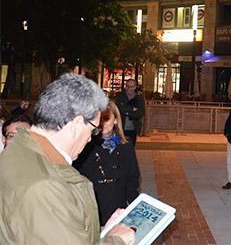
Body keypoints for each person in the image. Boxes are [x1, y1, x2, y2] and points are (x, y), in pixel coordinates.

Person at [0, 73, 134, 244]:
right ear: (77, 124)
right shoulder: (46, 186)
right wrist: (117, 240)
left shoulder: (20, 150)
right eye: (93, 129)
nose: (91, 138)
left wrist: (102, 233)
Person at [75, 101, 141, 226]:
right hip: (92, 206)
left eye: (106, 118)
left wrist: (133, 209)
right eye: (99, 119)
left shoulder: (125, 146)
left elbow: (132, 179)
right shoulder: (85, 144)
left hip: (117, 205)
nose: (102, 123)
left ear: (115, 120)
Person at [115, 79, 145, 146]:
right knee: (119, 149)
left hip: (133, 129)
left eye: (131, 86)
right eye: (127, 86)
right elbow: (119, 109)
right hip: (120, 128)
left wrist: (127, 113)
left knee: (130, 148)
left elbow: (140, 113)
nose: (129, 88)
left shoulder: (139, 99)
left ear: (135, 87)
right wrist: (132, 109)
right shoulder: (120, 97)